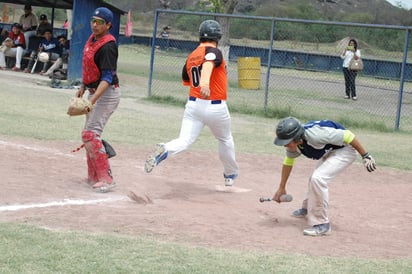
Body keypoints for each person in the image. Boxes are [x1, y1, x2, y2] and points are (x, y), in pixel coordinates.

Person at [144, 20, 239, 187]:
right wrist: (204, 83)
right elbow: (209, 63)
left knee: (185, 140)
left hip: (194, 106)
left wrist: (201, 84)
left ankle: (166, 148)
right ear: (217, 36)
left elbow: (187, 80)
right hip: (215, 106)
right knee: (225, 139)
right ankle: (230, 174)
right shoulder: (214, 51)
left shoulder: (191, 56)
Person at [272, 117, 376, 236]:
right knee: (314, 179)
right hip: (330, 150)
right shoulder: (295, 144)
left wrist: (366, 155)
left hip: (345, 150)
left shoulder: (316, 135)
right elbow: (288, 162)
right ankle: (307, 209)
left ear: (297, 137)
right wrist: (281, 188)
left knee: (318, 178)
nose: (285, 145)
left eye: (286, 142)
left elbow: (348, 135)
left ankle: (322, 224)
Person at [75, 7, 120, 193]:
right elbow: (90, 69)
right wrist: (83, 88)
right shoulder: (93, 39)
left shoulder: (108, 46)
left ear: (108, 25)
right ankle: (93, 175)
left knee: (90, 134)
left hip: (106, 94)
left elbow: (107, 78)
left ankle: (106, 178)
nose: (94, 24)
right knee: (88, 134)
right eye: (93, 21)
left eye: (99, 22)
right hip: (93, 92)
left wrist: (92, 100)